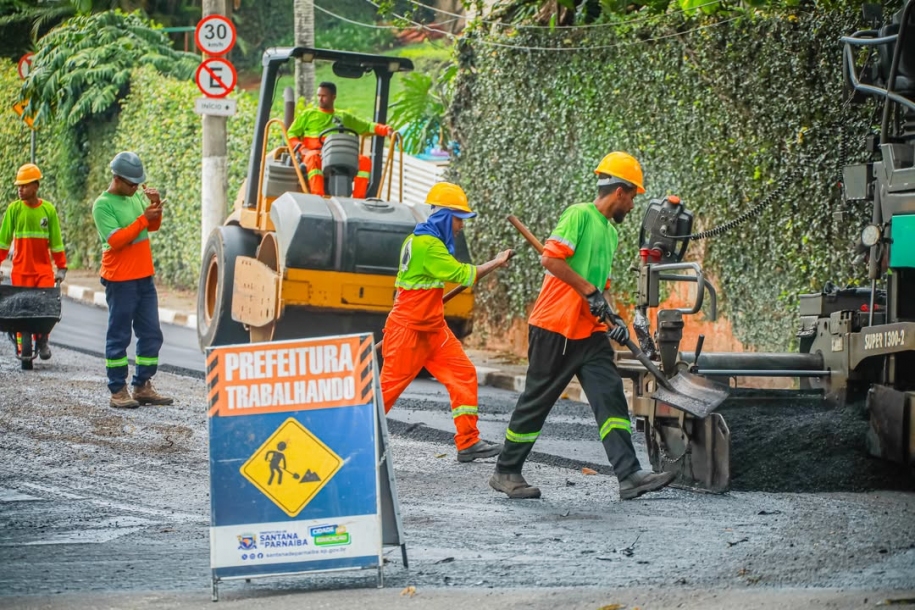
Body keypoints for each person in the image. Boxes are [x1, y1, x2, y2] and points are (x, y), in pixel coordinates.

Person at [490, 152, 676, 501]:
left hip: (589, 332)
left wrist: (614, 319)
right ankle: (506, 471)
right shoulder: (579, 214)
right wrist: (588, 291)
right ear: (619, 192)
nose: (632, 205)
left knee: (610, 397)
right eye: (632, 197)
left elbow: (600, 287)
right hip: (555, 328)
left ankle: (629, 475)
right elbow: (550, 259)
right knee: (536, 402)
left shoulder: (610, 233)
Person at [381, 182, 513, 462]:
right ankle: (355, 441)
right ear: (444, 217)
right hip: (409, 332)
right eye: (458, 219)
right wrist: (497, 261)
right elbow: (465, 275)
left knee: (463, 374)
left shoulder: (419, 240)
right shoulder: (427, 246)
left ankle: (468, 442)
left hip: (433, 329)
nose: (461, 226)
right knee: (386, 392)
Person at [92, 152, 173, 409]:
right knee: (119, 334)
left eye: (138, 183)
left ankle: (142, 385)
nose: (136, 188)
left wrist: (155, 207)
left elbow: (151, 227)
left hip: (143, 277)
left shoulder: (135, 197)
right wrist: (143, 218)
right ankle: (118, 390)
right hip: (120, 279)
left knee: (151, 334)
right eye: (131, 184)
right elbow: (116, 240)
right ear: (117, 178)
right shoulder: (102, 205)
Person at [0, 163, 67, 360]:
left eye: (25, 185)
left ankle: (43, 340)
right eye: (19, 186)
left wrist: (61, 268)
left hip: (43, 271)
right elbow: (3, 242)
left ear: (36, 186)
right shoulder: (14, 210)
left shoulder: (48, 210)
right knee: (20, 312)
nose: (20, 189)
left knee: (44, 309)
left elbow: (56, 242)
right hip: (21, 271)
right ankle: (22, 346)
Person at [286, 81, 393, 197]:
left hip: (341, 155)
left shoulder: (343, 117)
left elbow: (367, 126)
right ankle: (318, 197)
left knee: (364, 161)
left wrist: (386, 130)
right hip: (316, 154)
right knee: (313, 158)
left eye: (324, 96)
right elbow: (290, 134)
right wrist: (302, 149)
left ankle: (358, 199)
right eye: (319, 96)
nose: (320, 99)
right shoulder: (308, 115)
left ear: (333, 97)